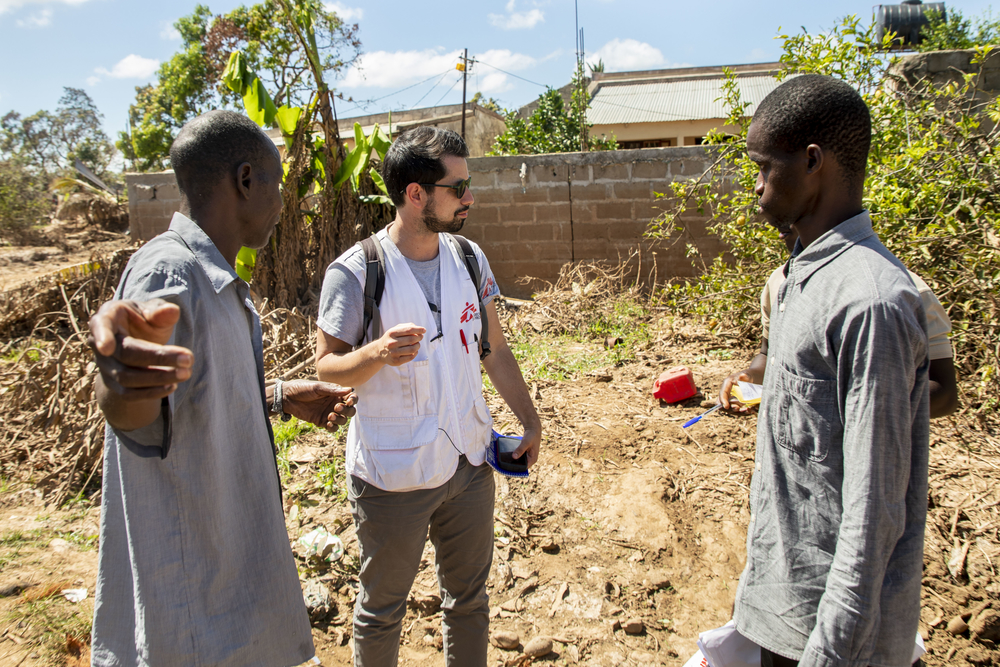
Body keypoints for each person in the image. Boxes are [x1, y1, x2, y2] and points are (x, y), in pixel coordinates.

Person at [87, 110, 357, 666]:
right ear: (246, 180)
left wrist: (277, 396)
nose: (282, 202)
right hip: (197, 613)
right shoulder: (170, 272)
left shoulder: (215, 277)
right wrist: (118, 382)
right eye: (277, 184)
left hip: (227, 594)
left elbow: (193, 399)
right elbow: (137, 413)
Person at [314, 126, 542, 667]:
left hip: (469, 464)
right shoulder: (356, 272)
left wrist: (530, 421)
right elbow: (326, 368)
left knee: (469, 600)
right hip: (394, 476)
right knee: (382, 610)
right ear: (416, 193)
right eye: (457, 188)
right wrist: (376, 354)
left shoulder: (469, 258)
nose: (470, 198)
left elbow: (494, 349)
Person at [730, 75, 930, 667]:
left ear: (813, 162)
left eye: (764, 168)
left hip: (836, 641)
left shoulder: (870, 302)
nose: (757, 186)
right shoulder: (800, 277)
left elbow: (874, 513)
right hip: (788, 613)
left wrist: (830, 652)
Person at [719, 228, 958, 418]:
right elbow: (767, 354)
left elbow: (944, 395)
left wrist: (823, 404)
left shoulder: (895, 290)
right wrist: (750, 378)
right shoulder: (780, 283)